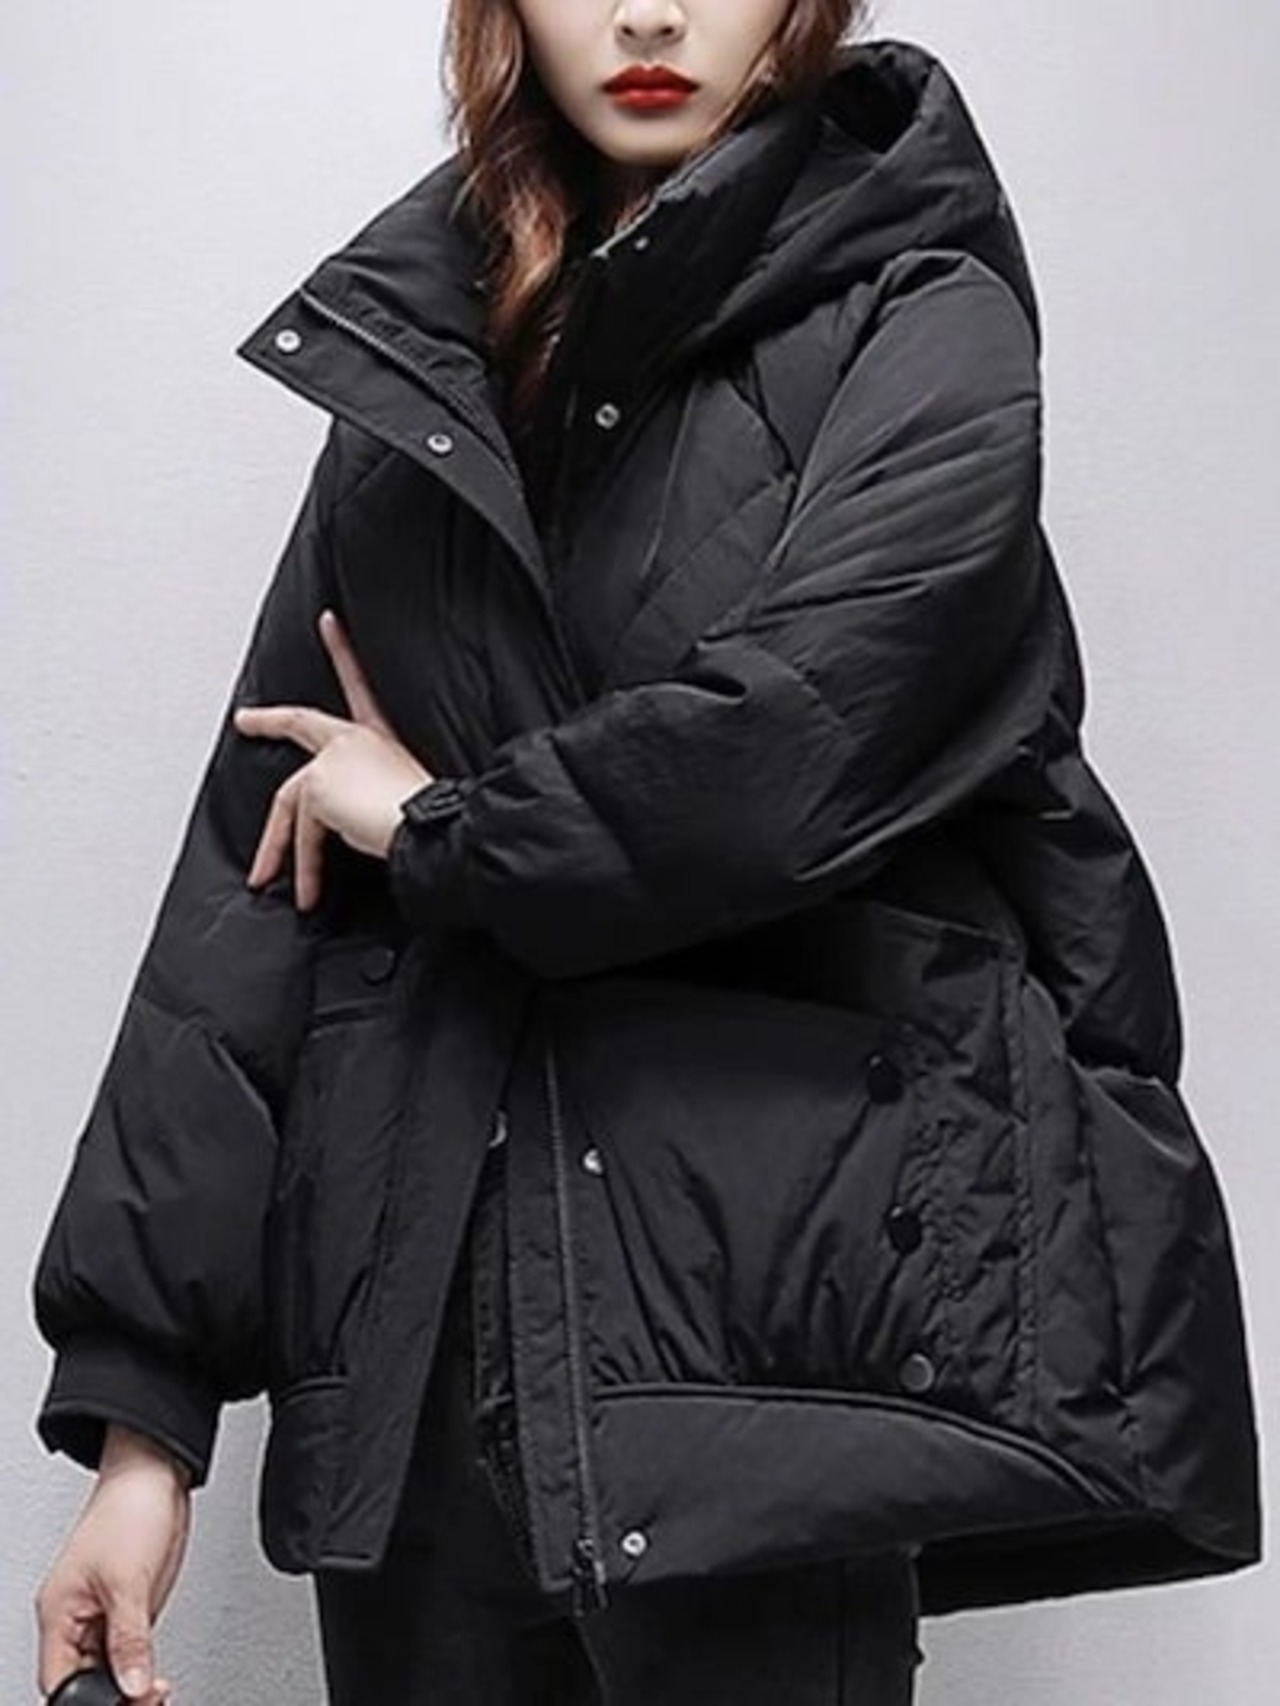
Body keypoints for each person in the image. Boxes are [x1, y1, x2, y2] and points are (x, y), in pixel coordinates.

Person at [31, 2, 1262, 1703]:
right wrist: (142, 1428)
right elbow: (247, 887)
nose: (650, 13)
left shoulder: (920, 314)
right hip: (421, 1383)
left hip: (771, 1367)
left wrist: (445, 825)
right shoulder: (422, 357)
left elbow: (793, 747)